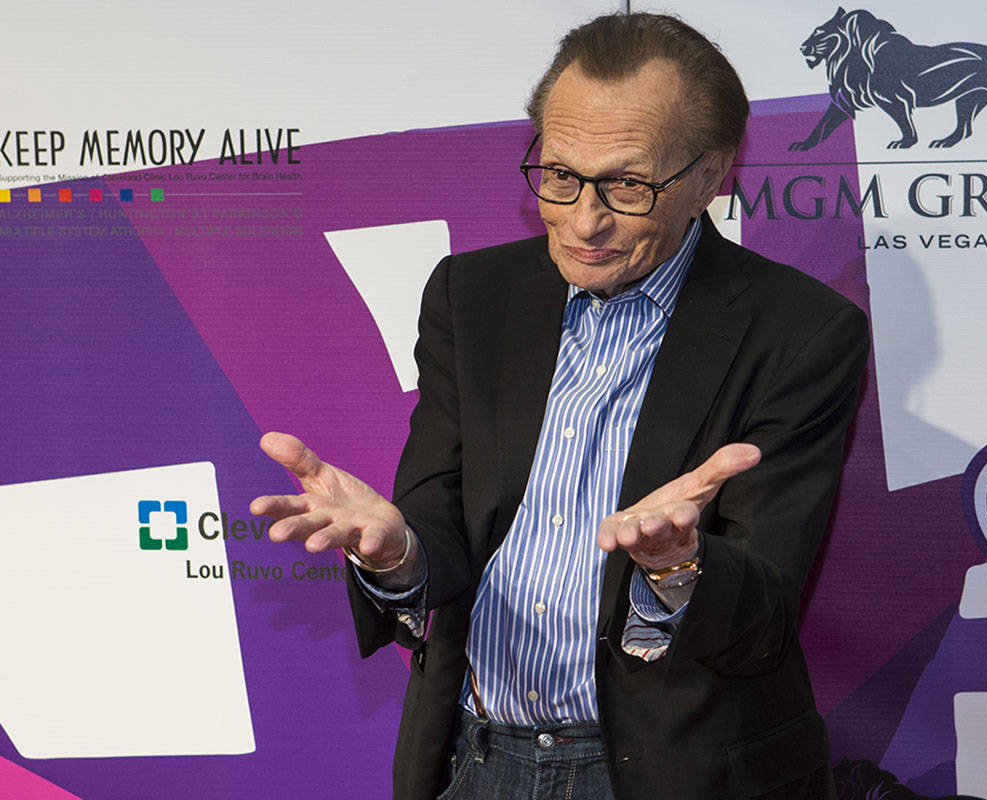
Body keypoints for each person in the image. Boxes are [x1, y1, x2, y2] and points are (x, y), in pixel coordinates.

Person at [251, 12, 868, 800]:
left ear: (710, 176)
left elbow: (766, 614)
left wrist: (681, 566)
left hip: (673, 773)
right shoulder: (472, 297)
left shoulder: (802, 333)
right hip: (472, 761)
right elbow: (443, 522)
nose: (584, 221)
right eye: (562, 174)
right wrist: (399, 550)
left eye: (629, 185)